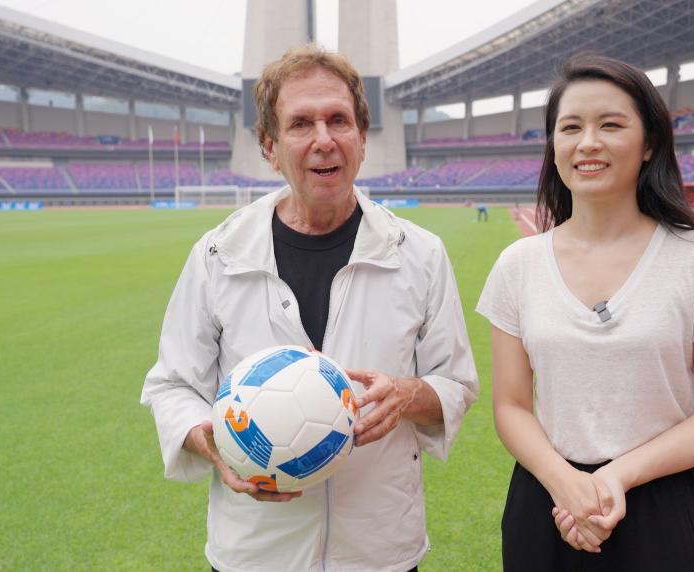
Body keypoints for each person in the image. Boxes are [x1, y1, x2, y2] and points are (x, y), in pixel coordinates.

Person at [141, 44, 478, 572]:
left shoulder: (419, 253)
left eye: (339, 120)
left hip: (379, 550)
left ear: (362, 139)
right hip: (255, 551)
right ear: (271, 147)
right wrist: (216, 444)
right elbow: (172, 385)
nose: (324, 140)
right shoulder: (218, 254)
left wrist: (407, 394)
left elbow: (455, 382)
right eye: (301, 124)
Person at [476, 53, 694, 571]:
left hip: (659, 506)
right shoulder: (519, 264)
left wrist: (612, 479)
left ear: (649, 144)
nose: (587, 143)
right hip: (547, 502)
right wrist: (565, 482)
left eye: (610, 125)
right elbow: (511, 405)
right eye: (570, 128)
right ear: (553, 146)